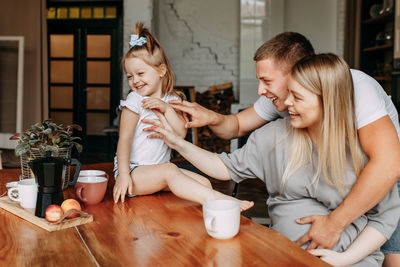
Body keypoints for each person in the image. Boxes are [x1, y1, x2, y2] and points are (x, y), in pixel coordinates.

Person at [168, 32, 400, 265]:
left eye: (267, 81)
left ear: (298, 74)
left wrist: (336, 235)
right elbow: (236, 127)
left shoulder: (358, 97)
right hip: (286, 257)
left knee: (392, 254)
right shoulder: (278, 126)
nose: (260, 90)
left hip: (388, 168)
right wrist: (197, 126)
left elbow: (388, 168)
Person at [113, 23, 253, 211]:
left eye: (140, 73)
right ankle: (220, 200)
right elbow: (124, 139)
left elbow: (179, 134)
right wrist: (123, 175)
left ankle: (205, 216)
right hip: (134, 173)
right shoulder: (135, 100)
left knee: (204, 183)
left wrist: (166, 109)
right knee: (170, 170)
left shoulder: (172, 99)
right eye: (130, 76)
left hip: (160, 171)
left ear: (161, 71)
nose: (135, 80)